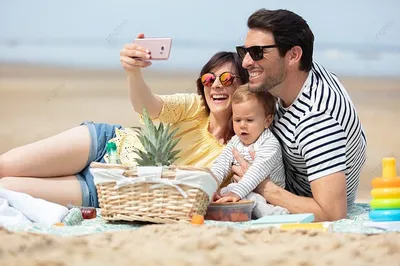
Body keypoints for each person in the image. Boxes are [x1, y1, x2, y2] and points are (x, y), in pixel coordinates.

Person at [0, 33, 249, 208]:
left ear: (244, 86)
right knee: (5, 166)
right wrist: (133, 72)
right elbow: (146, 106)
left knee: (9, 186)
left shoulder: (240, 148)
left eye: (227, 79)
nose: (216, 85)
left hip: (112, 190)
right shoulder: (194, 107)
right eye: (208, 79)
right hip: (103, 143)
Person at [233, 9, 367, 222]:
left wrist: (263, 186)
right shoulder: (294, 78)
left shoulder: (317, 117)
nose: (246, 62)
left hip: (297, 203)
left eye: (257, 52)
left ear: (294, 55)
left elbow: (332, 213)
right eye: (244, 51)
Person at [210, 84, 289, 217]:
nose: (242, 125)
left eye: (249, 120)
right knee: (224, 192)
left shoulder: (269, 144)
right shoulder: (235, 141)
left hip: (269, 199)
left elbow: (256, 172)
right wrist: (210, 186)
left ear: (267, 121)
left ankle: (277, 214)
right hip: (242, 191)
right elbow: (221, 165)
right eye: (237, 120)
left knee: (252, 198)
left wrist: (236, 193)